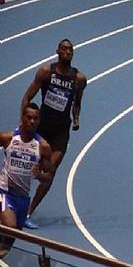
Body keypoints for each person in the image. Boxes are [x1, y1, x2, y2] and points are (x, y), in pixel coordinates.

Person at [20, 39, 87, 229]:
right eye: (64, 49)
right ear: (57, 51)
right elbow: (27, 97)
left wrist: (76, 118)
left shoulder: (79, 79)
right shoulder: (46, 72)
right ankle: (11, 199)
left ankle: (27, 212)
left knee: (50, 171)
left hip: (60, 132)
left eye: (71, 50)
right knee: (24, 164)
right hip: (40, 129)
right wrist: (23, 123)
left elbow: (77, 102)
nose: (68, 52)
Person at [0, 103, 51, 257]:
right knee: (10, 226)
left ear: (39, 121)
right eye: (28, 117)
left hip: (22, 199)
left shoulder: (43, 147)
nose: (31, 121)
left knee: (7, 244)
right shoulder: (8, 138)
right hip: (4, 191)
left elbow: (48, 177)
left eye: (35, 118)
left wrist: (39, 175)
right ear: (22, 118)